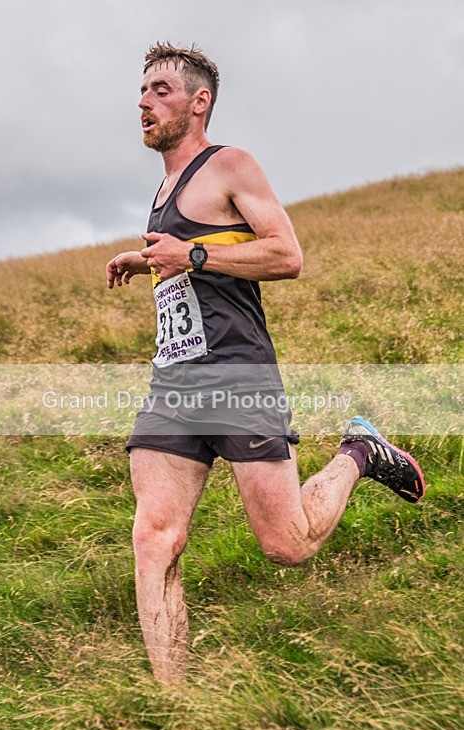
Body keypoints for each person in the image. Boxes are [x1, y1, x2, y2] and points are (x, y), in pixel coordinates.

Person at [106, 43, 425, 683]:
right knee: (153, 539)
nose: (143, 101)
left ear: (200, 103)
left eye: (161, 90)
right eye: (142, 91)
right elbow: (195, 251)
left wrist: (190, 258)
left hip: (237, 372)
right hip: (174, 380)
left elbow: (286, 255)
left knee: (288, 544)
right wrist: (148, 260)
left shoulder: (231, 165)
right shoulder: (164, 186)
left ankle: (359, 451)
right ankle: (174, 707)